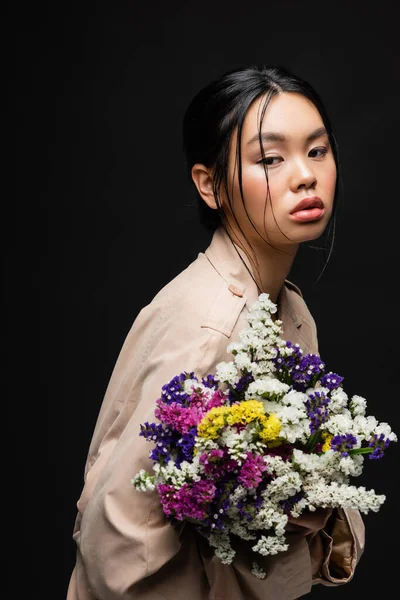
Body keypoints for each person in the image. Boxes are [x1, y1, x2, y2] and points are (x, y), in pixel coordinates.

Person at [67, 65, 365, 600]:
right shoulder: (210, 323)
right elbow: (117, 538)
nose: (304, 174)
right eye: (271, 158)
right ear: (210, 185)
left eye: (317, 151)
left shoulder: (284, 308)